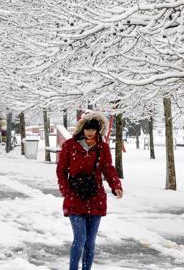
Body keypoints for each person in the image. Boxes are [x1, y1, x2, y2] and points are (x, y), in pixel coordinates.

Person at [57, 110, 123, 270]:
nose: (90, 132)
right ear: (82, 128)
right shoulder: (69, 146)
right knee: (79, 240)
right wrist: (66, 190)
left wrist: (116, 186)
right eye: (87, 129)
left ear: (98, 129)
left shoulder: (103, 147)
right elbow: (61, 170)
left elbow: (108, 168)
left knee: (90, 243)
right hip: (75, 199)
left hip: (95, 199)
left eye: (93, 129)